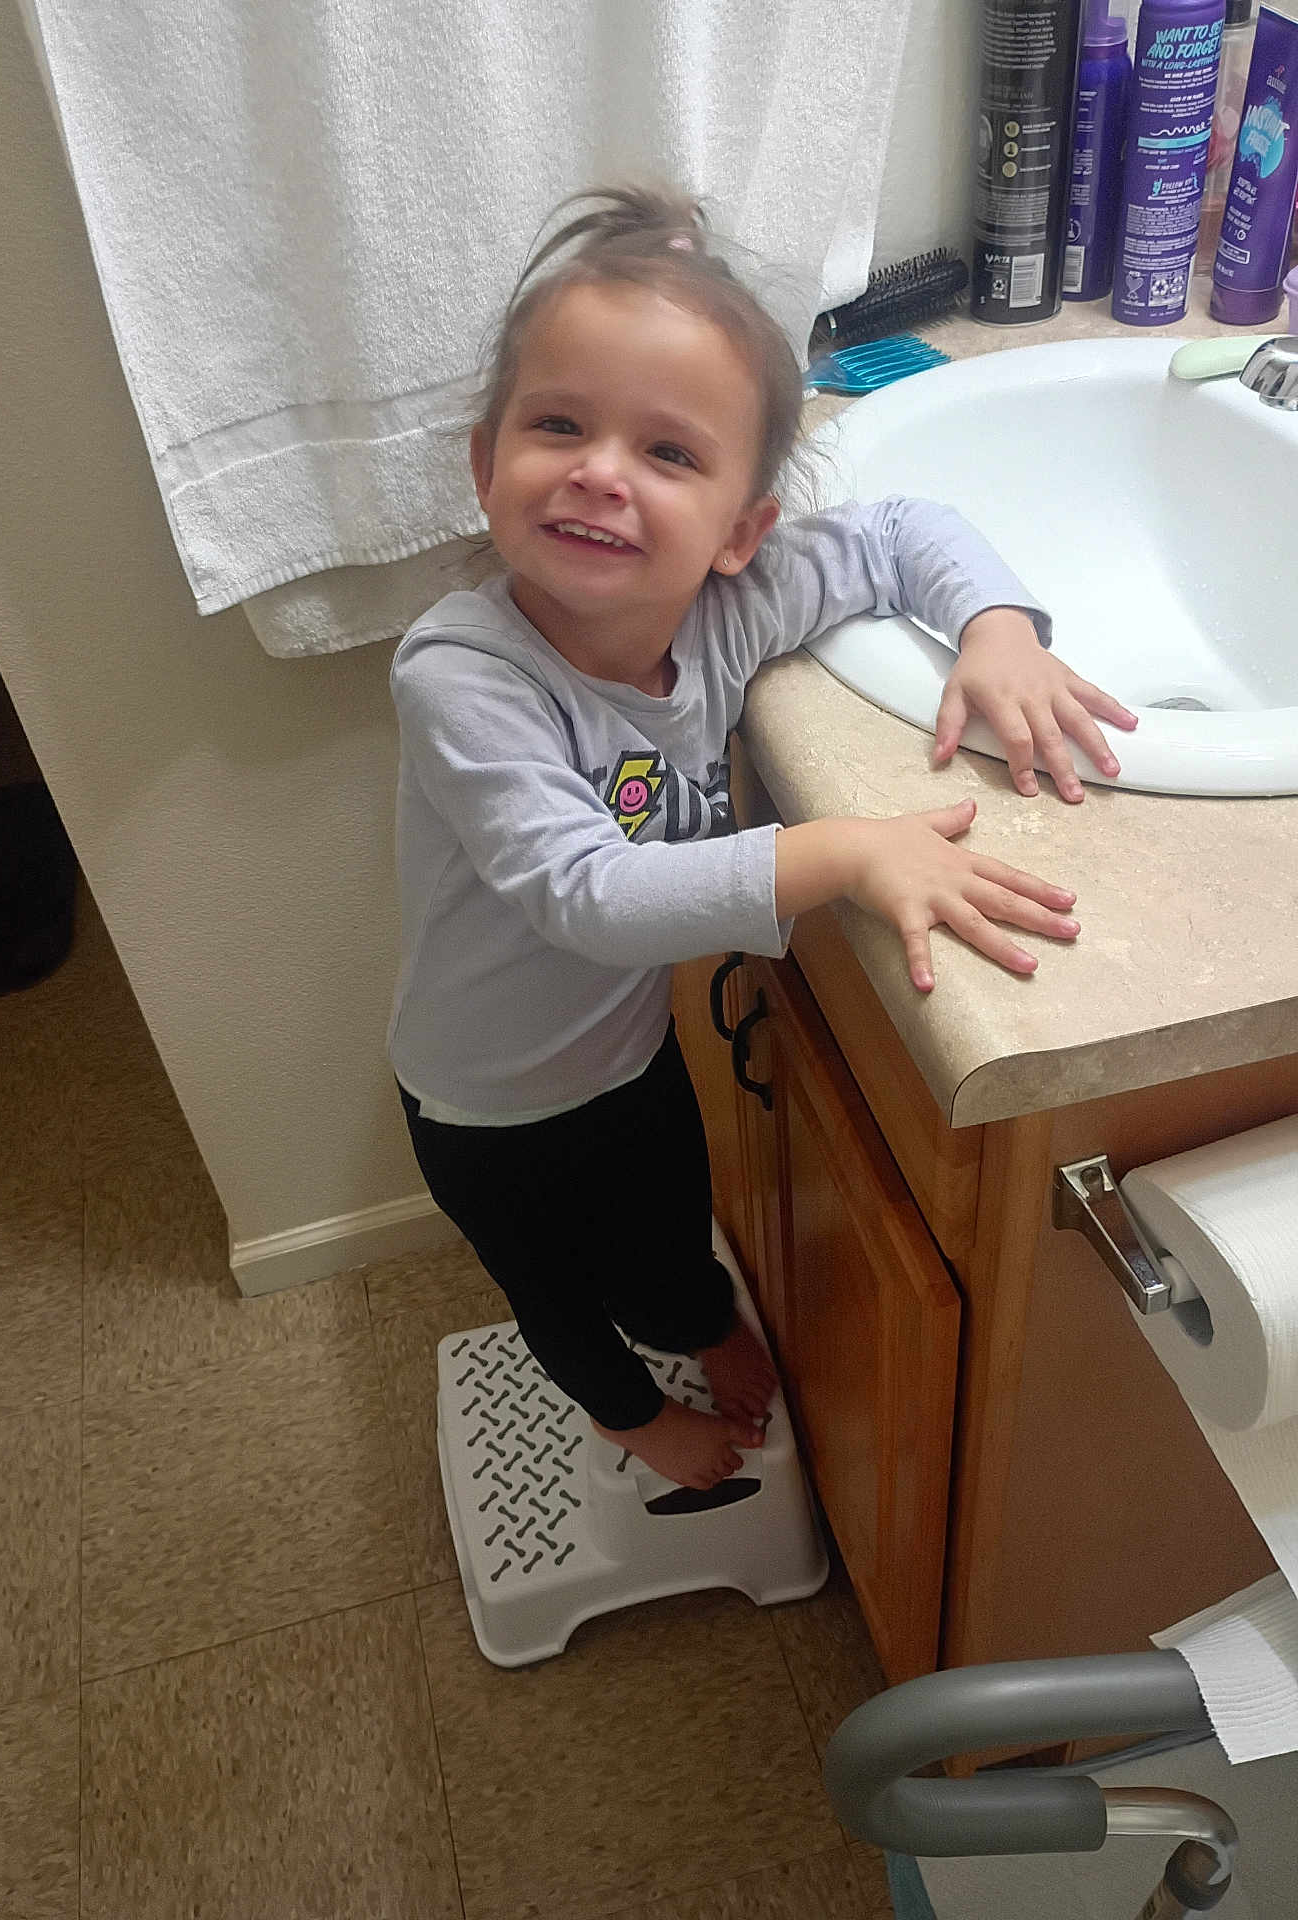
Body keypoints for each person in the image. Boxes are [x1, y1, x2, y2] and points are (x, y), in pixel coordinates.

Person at [388, 185, 1137, 1491]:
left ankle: (688, 1316)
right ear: (484, 462)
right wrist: (848, 851)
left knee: (668, 1223)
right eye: (557, 424)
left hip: (627, 1047)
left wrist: (999, 625)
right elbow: (590, 895)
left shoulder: (731, 606)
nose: (602, 471)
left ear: (741, 529)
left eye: (669, 454)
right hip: (485, 1098)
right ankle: (629, 1414)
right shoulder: (460, 675)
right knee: (555, 1287)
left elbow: (907, 533)